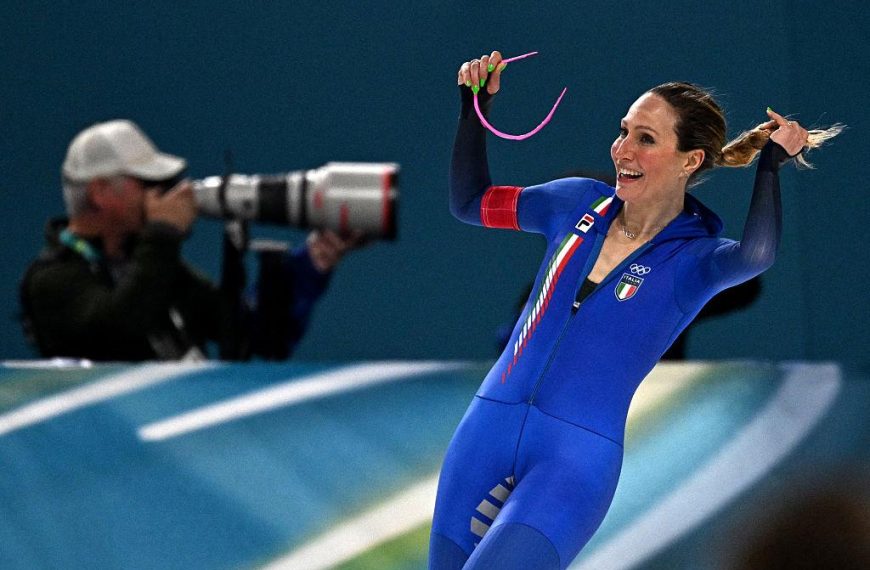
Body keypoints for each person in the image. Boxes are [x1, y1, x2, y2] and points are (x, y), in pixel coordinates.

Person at [429, 50, 841, 570]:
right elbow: (471, 203)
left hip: (572, 461)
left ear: (690, 160)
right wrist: (473, 108)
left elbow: (757, 254)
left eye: (646, 138)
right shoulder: (572, 203)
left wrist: (770, 167)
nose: (623, 149)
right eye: (624, 131)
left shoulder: (694, 260)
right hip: (483, 432)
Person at [20, 119, 359, 361]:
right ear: (100, 192)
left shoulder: (152, 263)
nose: (162, 194)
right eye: (147, 184)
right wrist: (162, 235)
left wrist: (315, 259)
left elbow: (252, 335)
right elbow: (122, 332)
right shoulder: (51, 281)